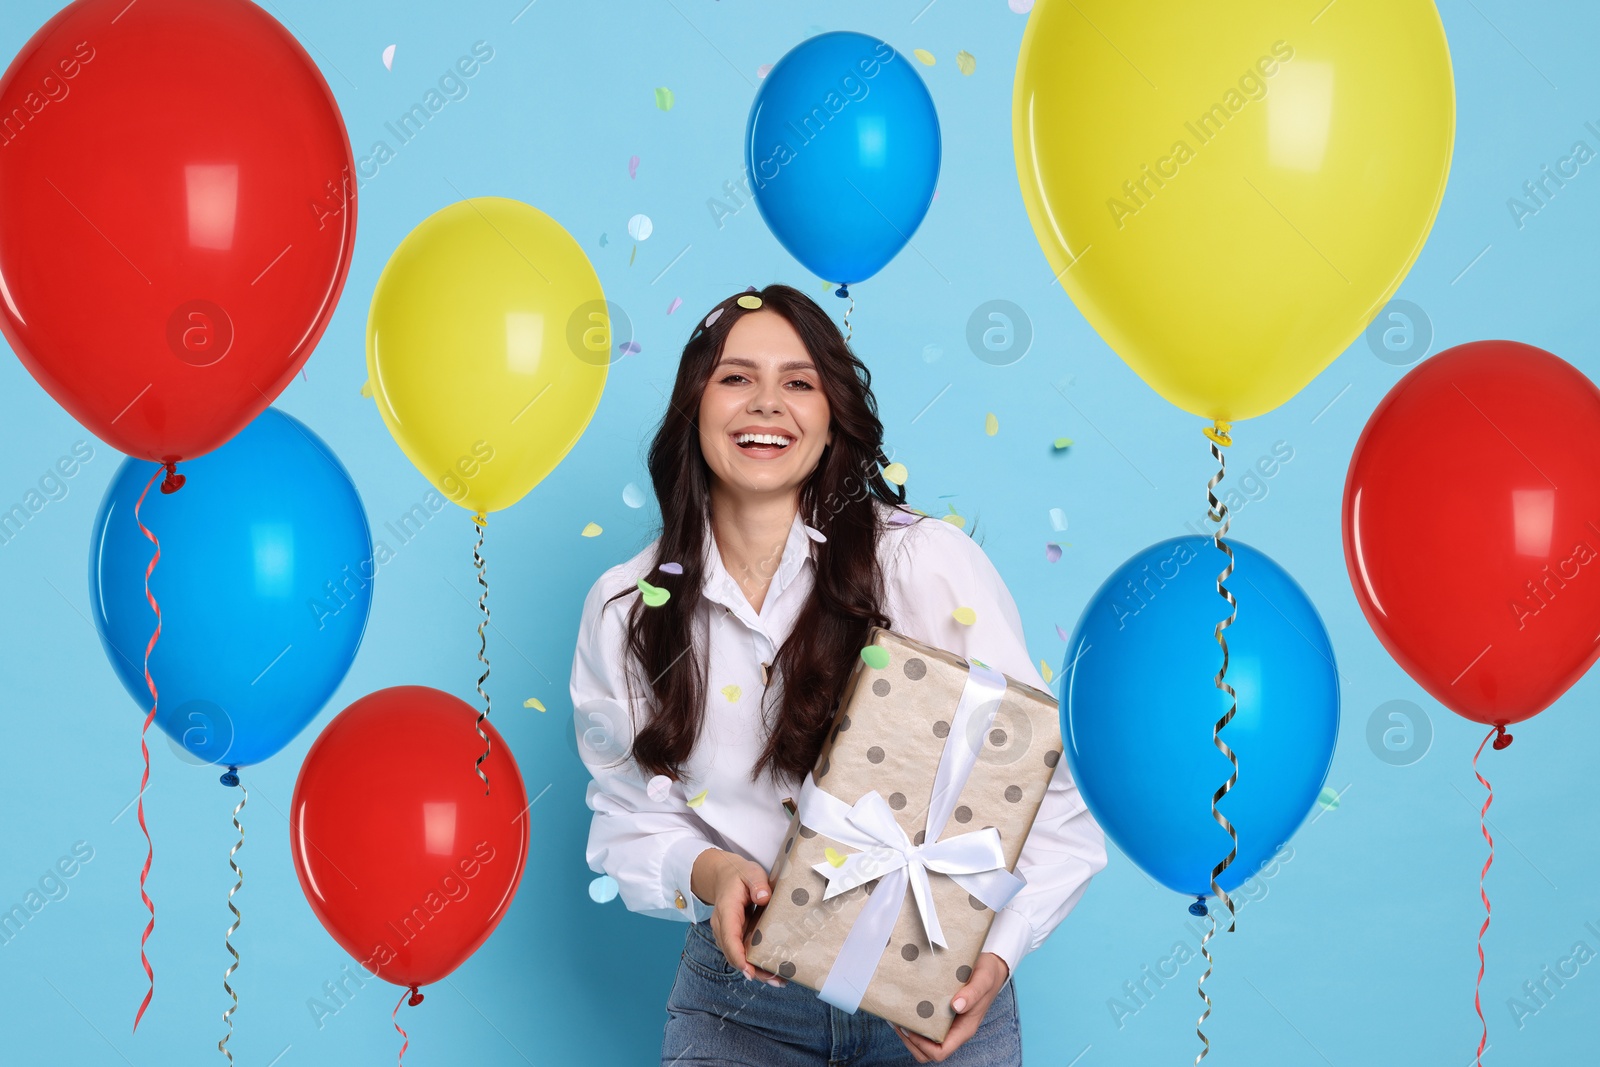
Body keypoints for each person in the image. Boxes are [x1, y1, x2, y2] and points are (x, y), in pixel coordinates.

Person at [571, 284, 1106, 1065]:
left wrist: (996, 954)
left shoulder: (921, 563)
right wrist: (710, 870)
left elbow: (1049, 782)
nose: (766, 404)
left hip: (933, 993)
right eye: (735, 378)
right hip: (739, 1009)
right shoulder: (627, 607)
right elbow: (625, 813)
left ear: (832, 419)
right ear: (692, 405)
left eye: (798, 382)